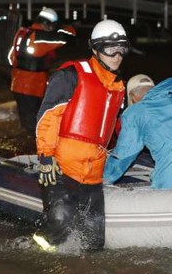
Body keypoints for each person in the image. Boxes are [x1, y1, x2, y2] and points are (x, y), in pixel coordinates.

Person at [33, 19, 129, 252]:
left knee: (94, 237)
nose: (117, 55)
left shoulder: (118, 87)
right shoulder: (70, 76)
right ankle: (40, 263)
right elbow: (47, 118)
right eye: (109, 48)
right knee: (60, 220)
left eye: (122, 48)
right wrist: (46, 158)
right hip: (62, 167)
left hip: (93, 173)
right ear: (95, 49)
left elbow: (117, 128)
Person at [104, 75, 172, 189]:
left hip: (171, 183)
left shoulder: (136, 112)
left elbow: (124, 154)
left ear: (132, 97)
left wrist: (103, 179)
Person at [7, 7, 75, 134]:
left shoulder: (22, 32)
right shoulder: (39, 36)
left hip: (17, 82)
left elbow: (11, 57)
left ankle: (26, 141)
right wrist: (65, 26)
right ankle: (33, 146)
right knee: (34, 122)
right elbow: (66, 37)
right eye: (52, 26)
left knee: (25, 119)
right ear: (47, 23)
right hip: (32, 84)